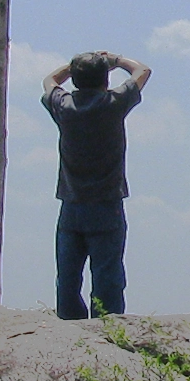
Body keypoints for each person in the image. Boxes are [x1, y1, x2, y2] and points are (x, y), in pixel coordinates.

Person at [42, 49, 150, 319]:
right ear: (105, 80)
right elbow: (143, 71)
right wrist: (117, 60)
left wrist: (73, 67)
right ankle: (107, 329)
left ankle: (70, 325)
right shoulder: (113, 104)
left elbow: (49, 81)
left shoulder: (64, 107)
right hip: (106, 204)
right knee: (107, 275)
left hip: (71, 203)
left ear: (76, 80)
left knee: (67, 276)